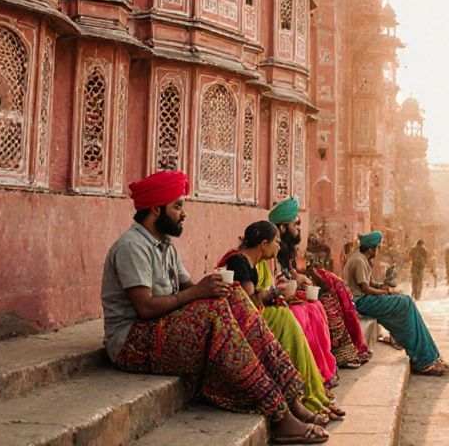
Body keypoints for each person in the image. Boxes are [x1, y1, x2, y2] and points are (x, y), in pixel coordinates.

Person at [102, 171, 329, 444]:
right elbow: (145, 308)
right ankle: (279, 415)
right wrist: (200, 292)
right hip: (131, 341)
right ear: (155, 210)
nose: (183, 213)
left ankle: (292, 401)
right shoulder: (132, 246)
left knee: (233, 296)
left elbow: (189, 288)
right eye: (177, 206)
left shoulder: (165, 246)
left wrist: (212, 287)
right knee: (216, 314)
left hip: (159, 326)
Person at [218, 220, 342, 424]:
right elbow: (249, 300)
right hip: (242, 321)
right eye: (276, 242)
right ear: (264, 244)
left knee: (293, 317)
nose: (278, 246)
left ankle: (316, 394)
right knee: (286, 318)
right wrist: (274, 292)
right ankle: (307, 397)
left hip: (254, 315)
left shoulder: (252, 264)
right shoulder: (238, 261)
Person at [343, 231, 449, 376]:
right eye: (377, 247)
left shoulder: (362, 259)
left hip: (366, 299)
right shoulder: (358, 260)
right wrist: (386, 293)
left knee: (408, 306)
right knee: (406, 303)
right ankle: (426, 359)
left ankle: (431, 356)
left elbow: (372, 283)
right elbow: (365, 288)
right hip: (361, 301)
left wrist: (385, 287)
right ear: (371, 249)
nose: (378, 250)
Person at [268, 199, 339, 388]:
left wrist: (300, 280)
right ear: (282, 228)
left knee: (316, 307)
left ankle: (320, 370)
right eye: (295, 224)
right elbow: (272, 280)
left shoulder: (287, 249)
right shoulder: (269, 250)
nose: (299, 228)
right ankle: (305, 375)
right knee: (302, 312)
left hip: (283, 294)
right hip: (271, 300)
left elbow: (288, 273)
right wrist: (290, 285)